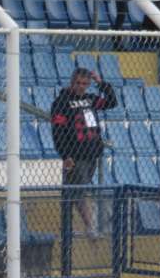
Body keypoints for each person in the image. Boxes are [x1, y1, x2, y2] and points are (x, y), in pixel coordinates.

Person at [50, 67, 117, 239]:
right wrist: (65, 155)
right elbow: (58, 131)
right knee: (78, 191)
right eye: (79, 83)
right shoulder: (61, 102)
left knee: (77, 191)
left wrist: (100, 83)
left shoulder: (90, 99)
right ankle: (90, 226)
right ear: (72, 82)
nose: (82, 87)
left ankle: (71, 226)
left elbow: (112, 102)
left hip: (91, 152)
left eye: (85, 84)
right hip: (75, 154)